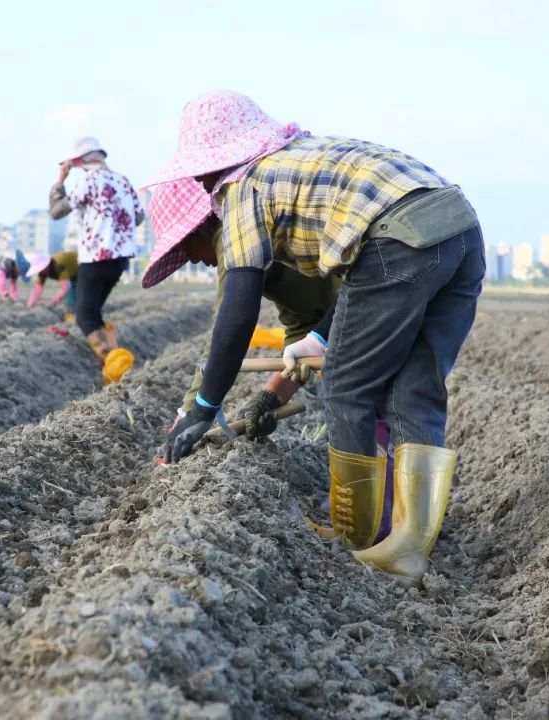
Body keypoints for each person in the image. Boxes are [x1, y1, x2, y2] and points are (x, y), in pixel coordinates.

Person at [144, 91, 485, 583]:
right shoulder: (301, 165)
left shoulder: (243, 190)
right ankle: (408, 548)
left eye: (201, 173)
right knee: (416, 389)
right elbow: (359, 288)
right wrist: (295, 368)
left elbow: (236, 315)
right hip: (459, 225)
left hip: (399, 237)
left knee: (348, 390)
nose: (201, 182)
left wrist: (202, 407)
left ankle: (356, 536)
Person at [147, 177, 339, 440]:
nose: (191, 259)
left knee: (364, 405)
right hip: (355, 312)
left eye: (183, 247)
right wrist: (269, 398)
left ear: (199, 229)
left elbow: (226, 329)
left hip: (375, 299)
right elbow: (304, 326)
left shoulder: (233, 238)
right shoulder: (272, 260)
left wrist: (192, 412)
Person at [49, 137, 144, 362]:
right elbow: (138, 217)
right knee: (93, 313)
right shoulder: (123, 181)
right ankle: (114, 362)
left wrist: (60, 180)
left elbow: (56, 211)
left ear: (80, 161)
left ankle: (115, 365)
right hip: (119, 260)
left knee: (84, 317)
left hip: (95, 258)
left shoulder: (88, 182)